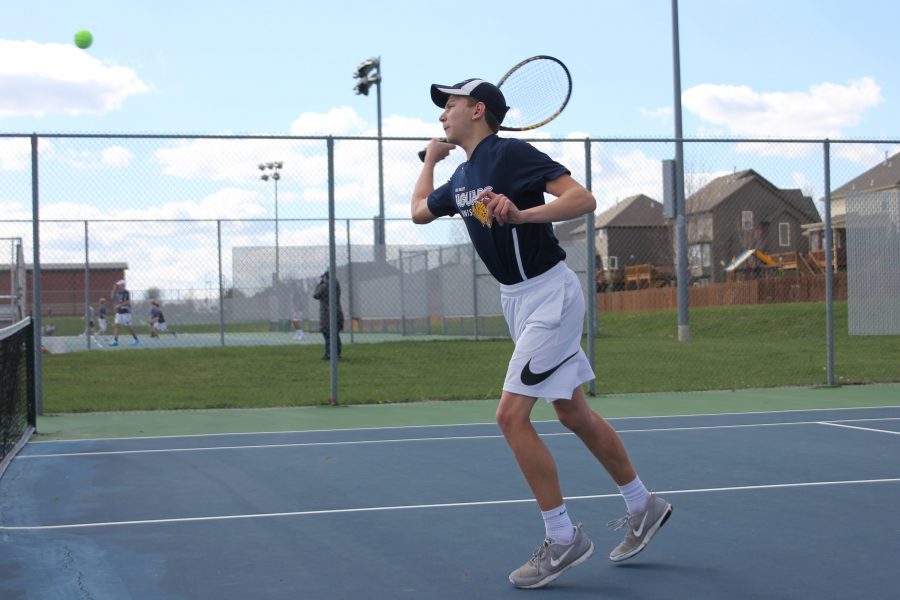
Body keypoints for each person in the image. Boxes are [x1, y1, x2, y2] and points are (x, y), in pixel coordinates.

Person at [411, 78, 672, 589]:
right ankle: (644, 505)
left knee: (510, 417)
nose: (443, 114)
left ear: (478, 110)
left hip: (549, 295)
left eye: (451, 105)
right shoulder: (463, 175)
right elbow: (419, 212)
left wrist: (522, 213)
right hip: (518, 301)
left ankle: (562, 537)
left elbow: (583, 198)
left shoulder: (509, 154)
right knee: (572, 410)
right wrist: (430, 162)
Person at [312, 270, 343, 360]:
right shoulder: (336, 285)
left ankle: (330, 354)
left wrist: (320, 283)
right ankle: (336, 353)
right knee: (335, 334)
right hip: (337, 312)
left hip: (327, 314)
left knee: (327, 334)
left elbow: (315, 295)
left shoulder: (324, 287)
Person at [109, 279, 139, 347]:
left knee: (128, 327)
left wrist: (120, 305)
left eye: (119, 285)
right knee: (116, 325)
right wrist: (113, 289)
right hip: (119, 312)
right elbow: (112, 297)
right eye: (118, 285)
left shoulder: (126, 292)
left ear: (122, 285)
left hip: (126, 312)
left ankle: (136, 339)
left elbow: (128, 302)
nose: (118, 286)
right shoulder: (118, 292)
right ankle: (115, 341)